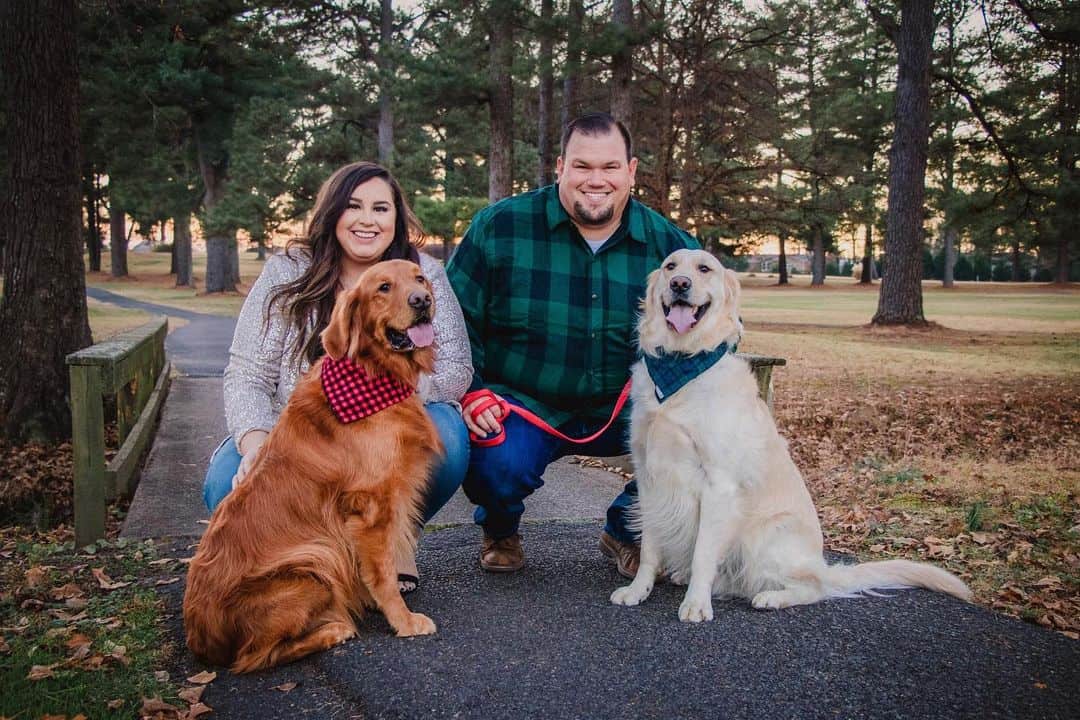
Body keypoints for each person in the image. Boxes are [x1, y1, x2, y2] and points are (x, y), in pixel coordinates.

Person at [446, 112, 699, 576]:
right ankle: (500, 527)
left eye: (610, 167)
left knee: (693, 436)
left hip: (626, 404)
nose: (596, 180)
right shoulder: (499, 228)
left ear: (631, 171)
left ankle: (626, 529)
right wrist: (472, 391)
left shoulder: (672, 248)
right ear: (560, 167)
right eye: (582, 166)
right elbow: (453, 326)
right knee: (493, 456)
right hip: (525, 402)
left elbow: (712, 330)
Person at [203, 161, 473, 593]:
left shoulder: (423, 273)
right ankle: (316, 565)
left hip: (386, 425)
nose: (368, 219)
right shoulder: (287, 271)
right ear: (332, 214)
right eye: (354, 206)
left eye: (381, 208)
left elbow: (457, 368)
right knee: (224, 487)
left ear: (396, 219)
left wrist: (377, 399)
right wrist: (256, 446)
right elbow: (247, 374)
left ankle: (389, 544)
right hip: (299, 433)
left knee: (449, 436)